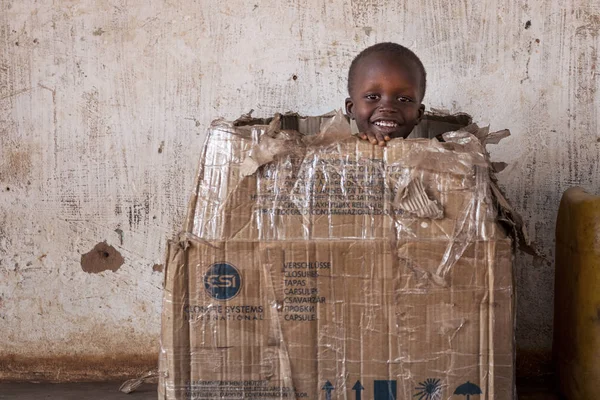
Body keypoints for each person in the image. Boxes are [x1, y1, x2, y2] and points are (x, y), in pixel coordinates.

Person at [345, 42, 427, 146]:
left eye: (403, 99)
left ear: (418, 114)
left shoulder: (433, 155)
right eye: (372, 97)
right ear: (351, 108)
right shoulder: (332, 153)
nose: (388, 107)